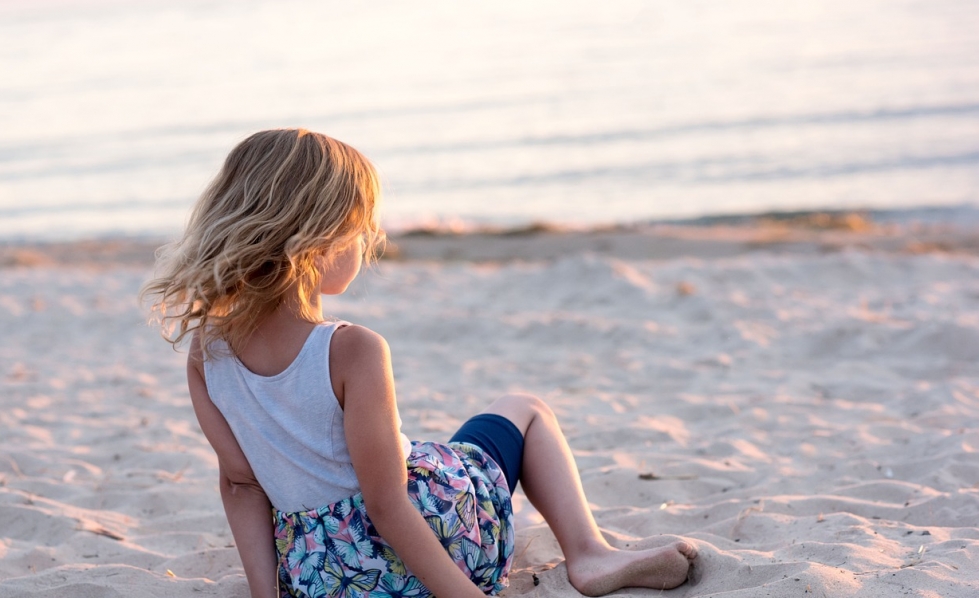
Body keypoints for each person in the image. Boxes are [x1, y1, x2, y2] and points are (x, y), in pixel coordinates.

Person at [142, 129, 697, 598]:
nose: (368, 241)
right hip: (432, 548)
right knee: (523, 411)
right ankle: (589, 554)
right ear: (318, 238)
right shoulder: (351, 348)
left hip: (322, 576)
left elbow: (240, 486)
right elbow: (386, 502)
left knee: (435, 452)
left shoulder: (205, 352)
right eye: (360, 227)